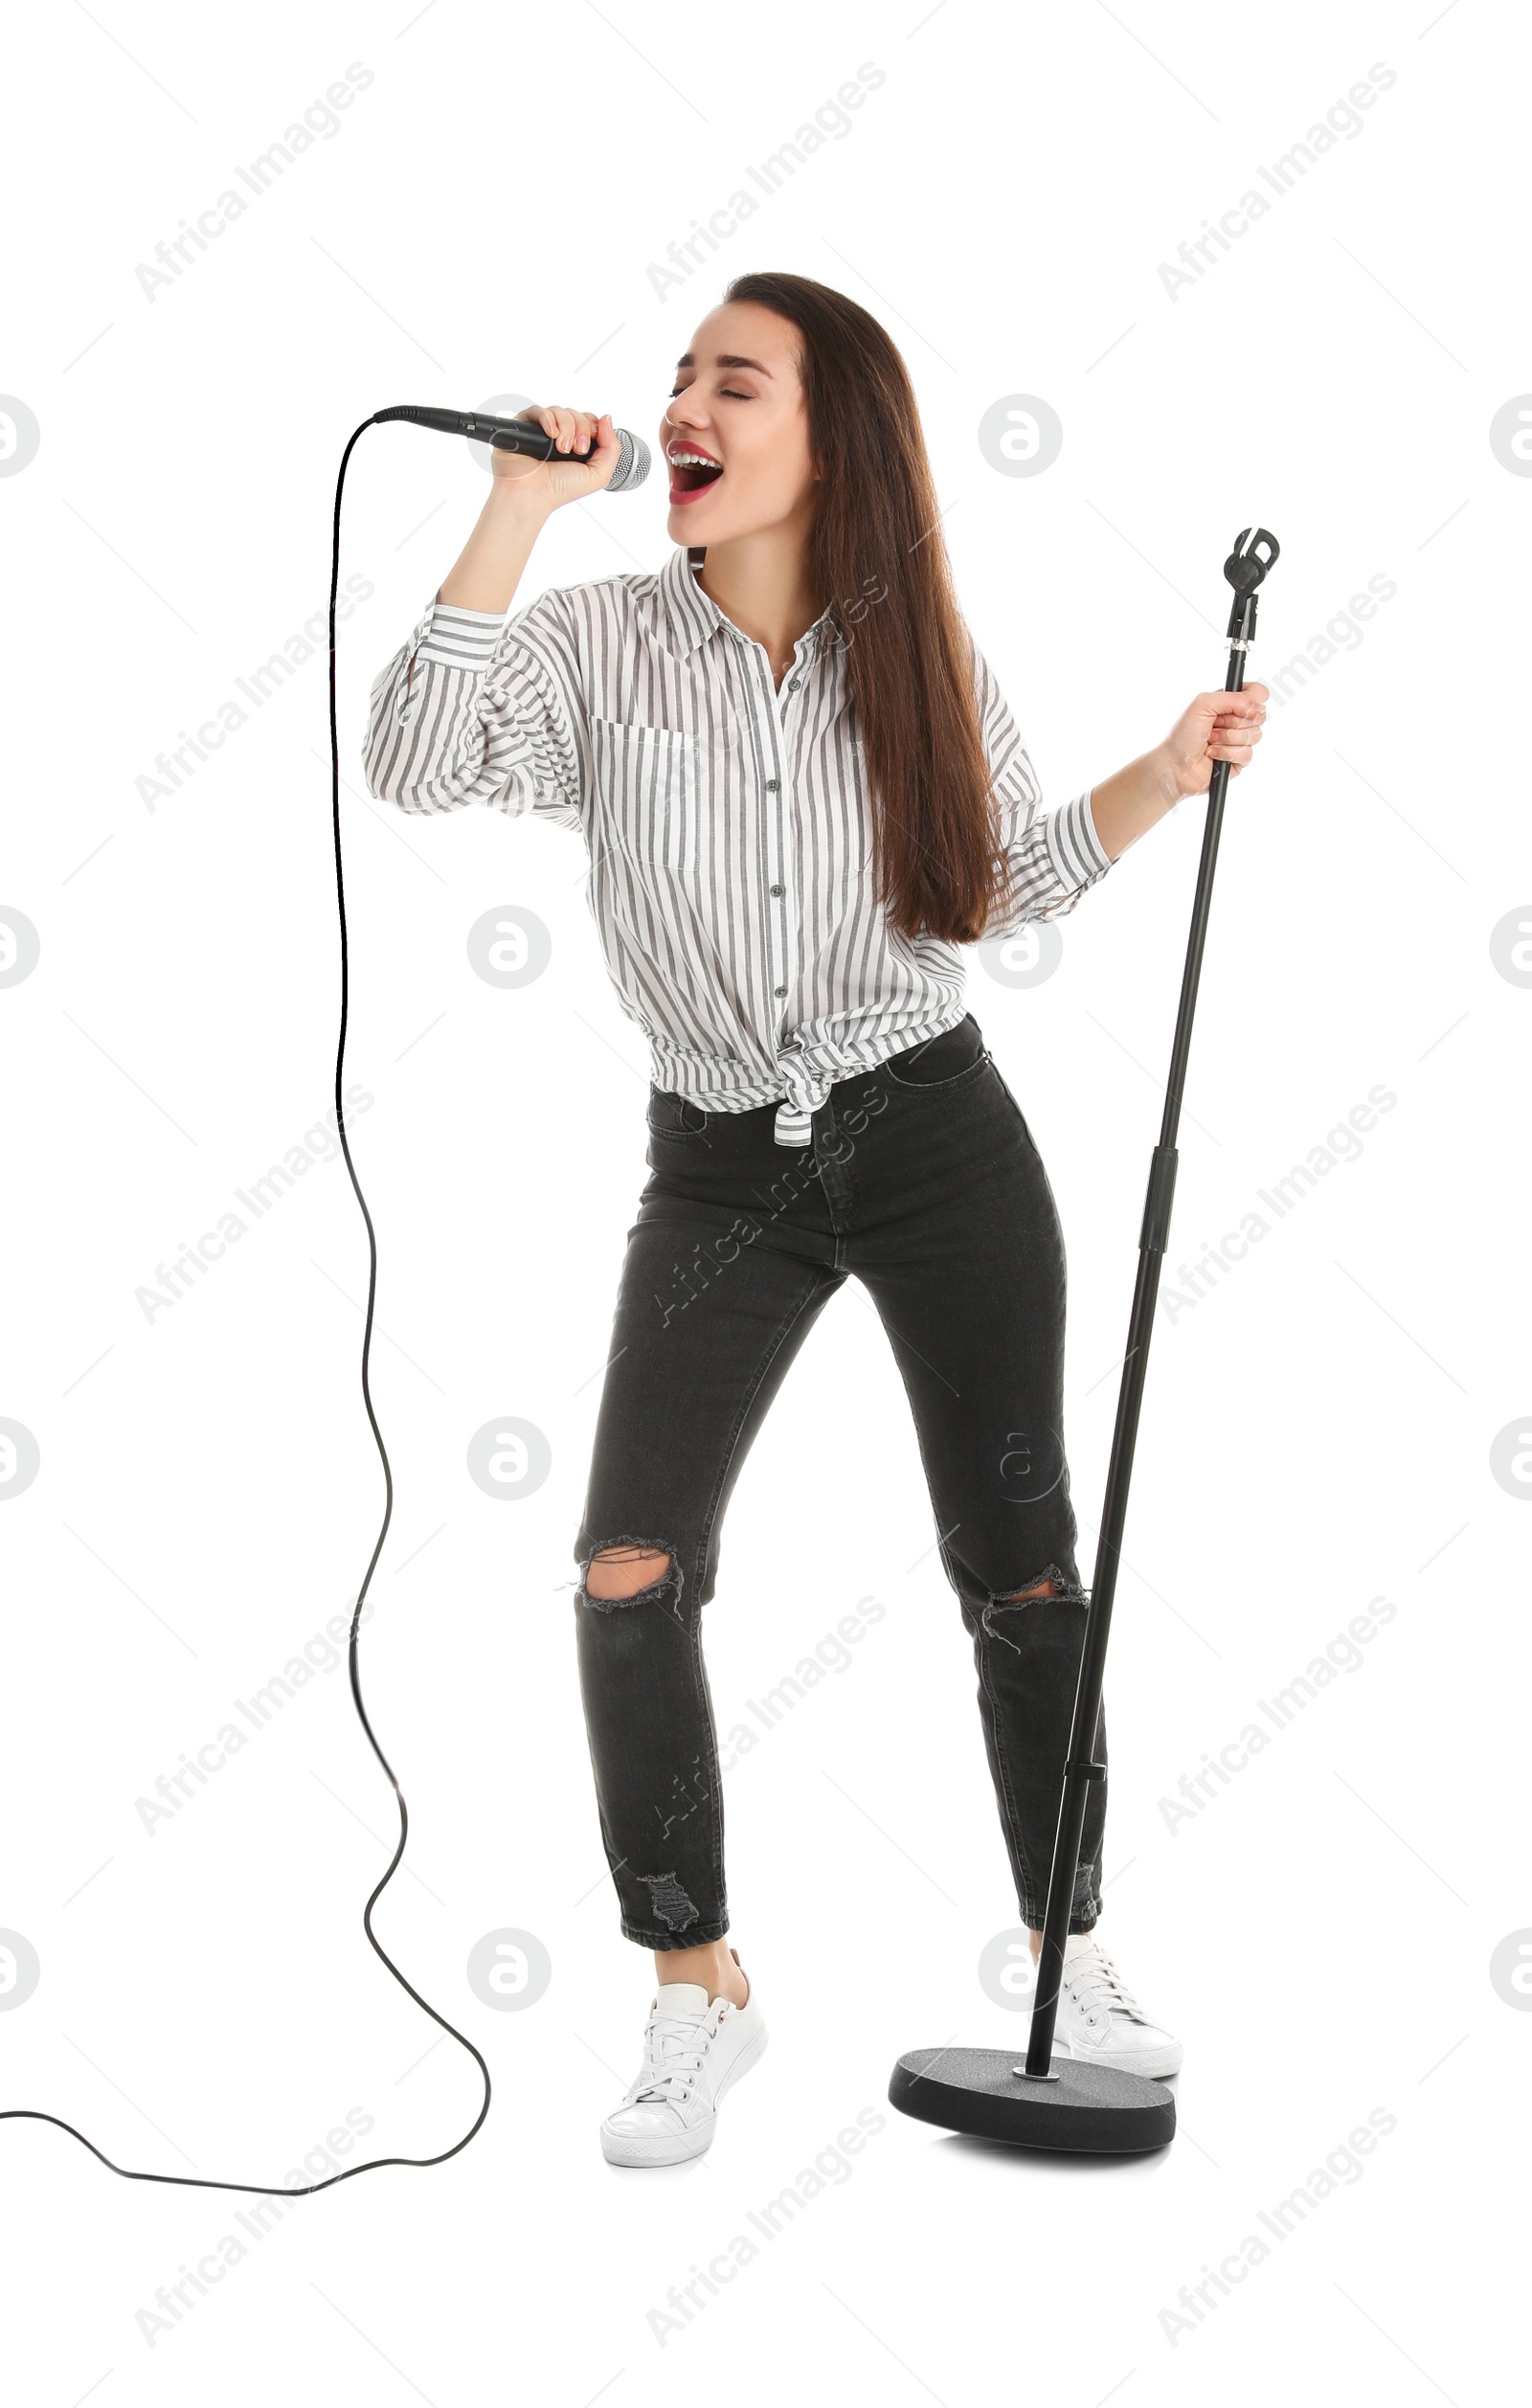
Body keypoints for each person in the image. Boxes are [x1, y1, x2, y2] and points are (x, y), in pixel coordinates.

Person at [363, 270, 1266, 2170]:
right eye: (680, 376)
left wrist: (1169, 773)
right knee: (627, 1564)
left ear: (825, 438)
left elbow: (993, 889)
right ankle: (693, 1983)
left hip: (933, 1134)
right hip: (716, 1168)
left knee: (1018, 1563)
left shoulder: (906, 651)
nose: (682, 403)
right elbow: (412, 758)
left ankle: (1062, 1944)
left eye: (733, 383)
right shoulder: (597, 644)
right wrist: (519, 506)